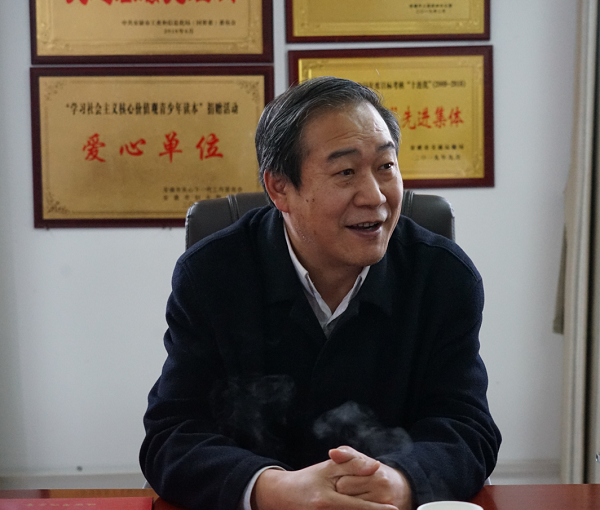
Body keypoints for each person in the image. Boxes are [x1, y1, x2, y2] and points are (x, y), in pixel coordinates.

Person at [140, 77, 501, 510]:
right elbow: (172, 435)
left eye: (385, 166)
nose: (375, 197)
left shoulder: (442, 276)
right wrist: (274, 489)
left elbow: (466, 427)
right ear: (280, 188)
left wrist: (400, 481)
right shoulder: (212, 275)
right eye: (345, 172)